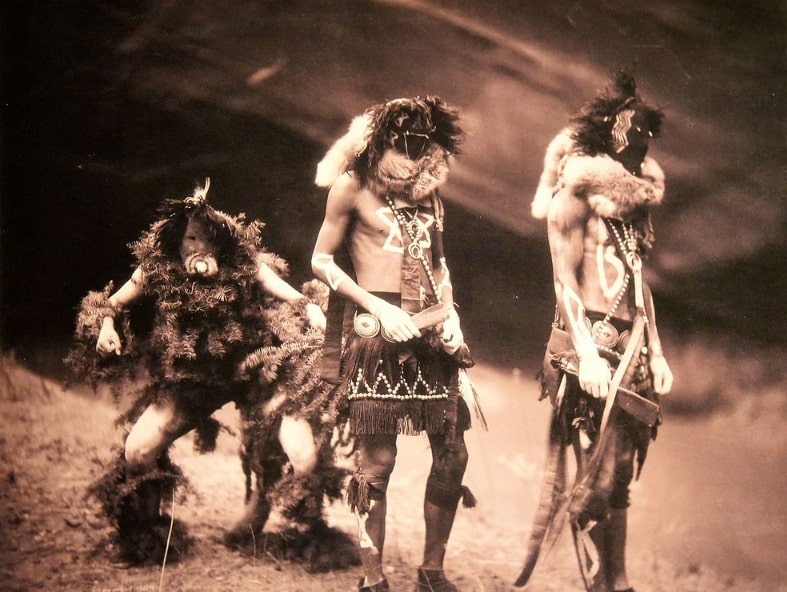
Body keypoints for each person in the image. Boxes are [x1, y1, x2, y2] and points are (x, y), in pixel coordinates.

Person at [67, 179, 328, 566]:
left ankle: (288, 526)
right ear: (178, 240)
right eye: (191, 239)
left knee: (302, 454)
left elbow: (293, 296)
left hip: (253, 373)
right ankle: (148, 537)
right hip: (189, 385)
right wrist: (106, 327)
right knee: (138, 451)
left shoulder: (245, 265)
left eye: (208, 240)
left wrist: (313, 310)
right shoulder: (156, 267)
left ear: (222, 241)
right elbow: (111, 304)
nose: (200, 249)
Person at [311, 96, 476, 592]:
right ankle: (373, 579)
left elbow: (440, 266)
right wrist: (377, 308)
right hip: (376, 335)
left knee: (453, 451)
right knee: (378, 463)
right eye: (403, 138)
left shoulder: (429, 195)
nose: (413, 148)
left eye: (423, 140)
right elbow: (321, 261)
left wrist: (453, 319)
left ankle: (432, 572)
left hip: (431, 335)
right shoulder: (353, 186)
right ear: (382, 137)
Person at [517, 72, 674, 592]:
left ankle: (618, 580)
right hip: (590, 344)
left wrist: (656, 351)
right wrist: (584, 353)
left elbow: (637, 283)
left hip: (631, 345)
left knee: (621, 473)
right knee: (598, 473)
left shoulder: (634, 211)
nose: (638, 151)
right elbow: (564, 282)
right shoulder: (571, 200)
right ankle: (597, 579)